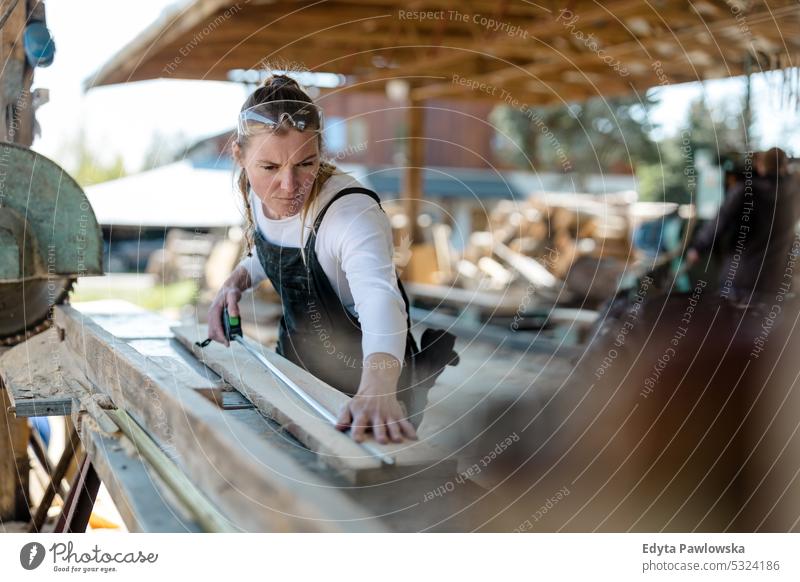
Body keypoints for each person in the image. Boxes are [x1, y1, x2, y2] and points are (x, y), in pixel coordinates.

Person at [206, 74, 458, 444]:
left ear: (321, 151)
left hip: (372, 386)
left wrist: (377, 391)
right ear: (240, 157)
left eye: (305, 164)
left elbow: (379, 300)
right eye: (270, 168)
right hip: (297, 369)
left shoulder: (349, 212)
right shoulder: (260, 197)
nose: (289, 186)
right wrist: (236, 281)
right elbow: (271, 250)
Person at [686, 147, 798, 301]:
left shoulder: (744, 191)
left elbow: (720, 221)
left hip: (741, 281)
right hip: (777, 283)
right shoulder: (795, 194)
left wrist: (697, 248)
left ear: (760, 166)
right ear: (785, 167)